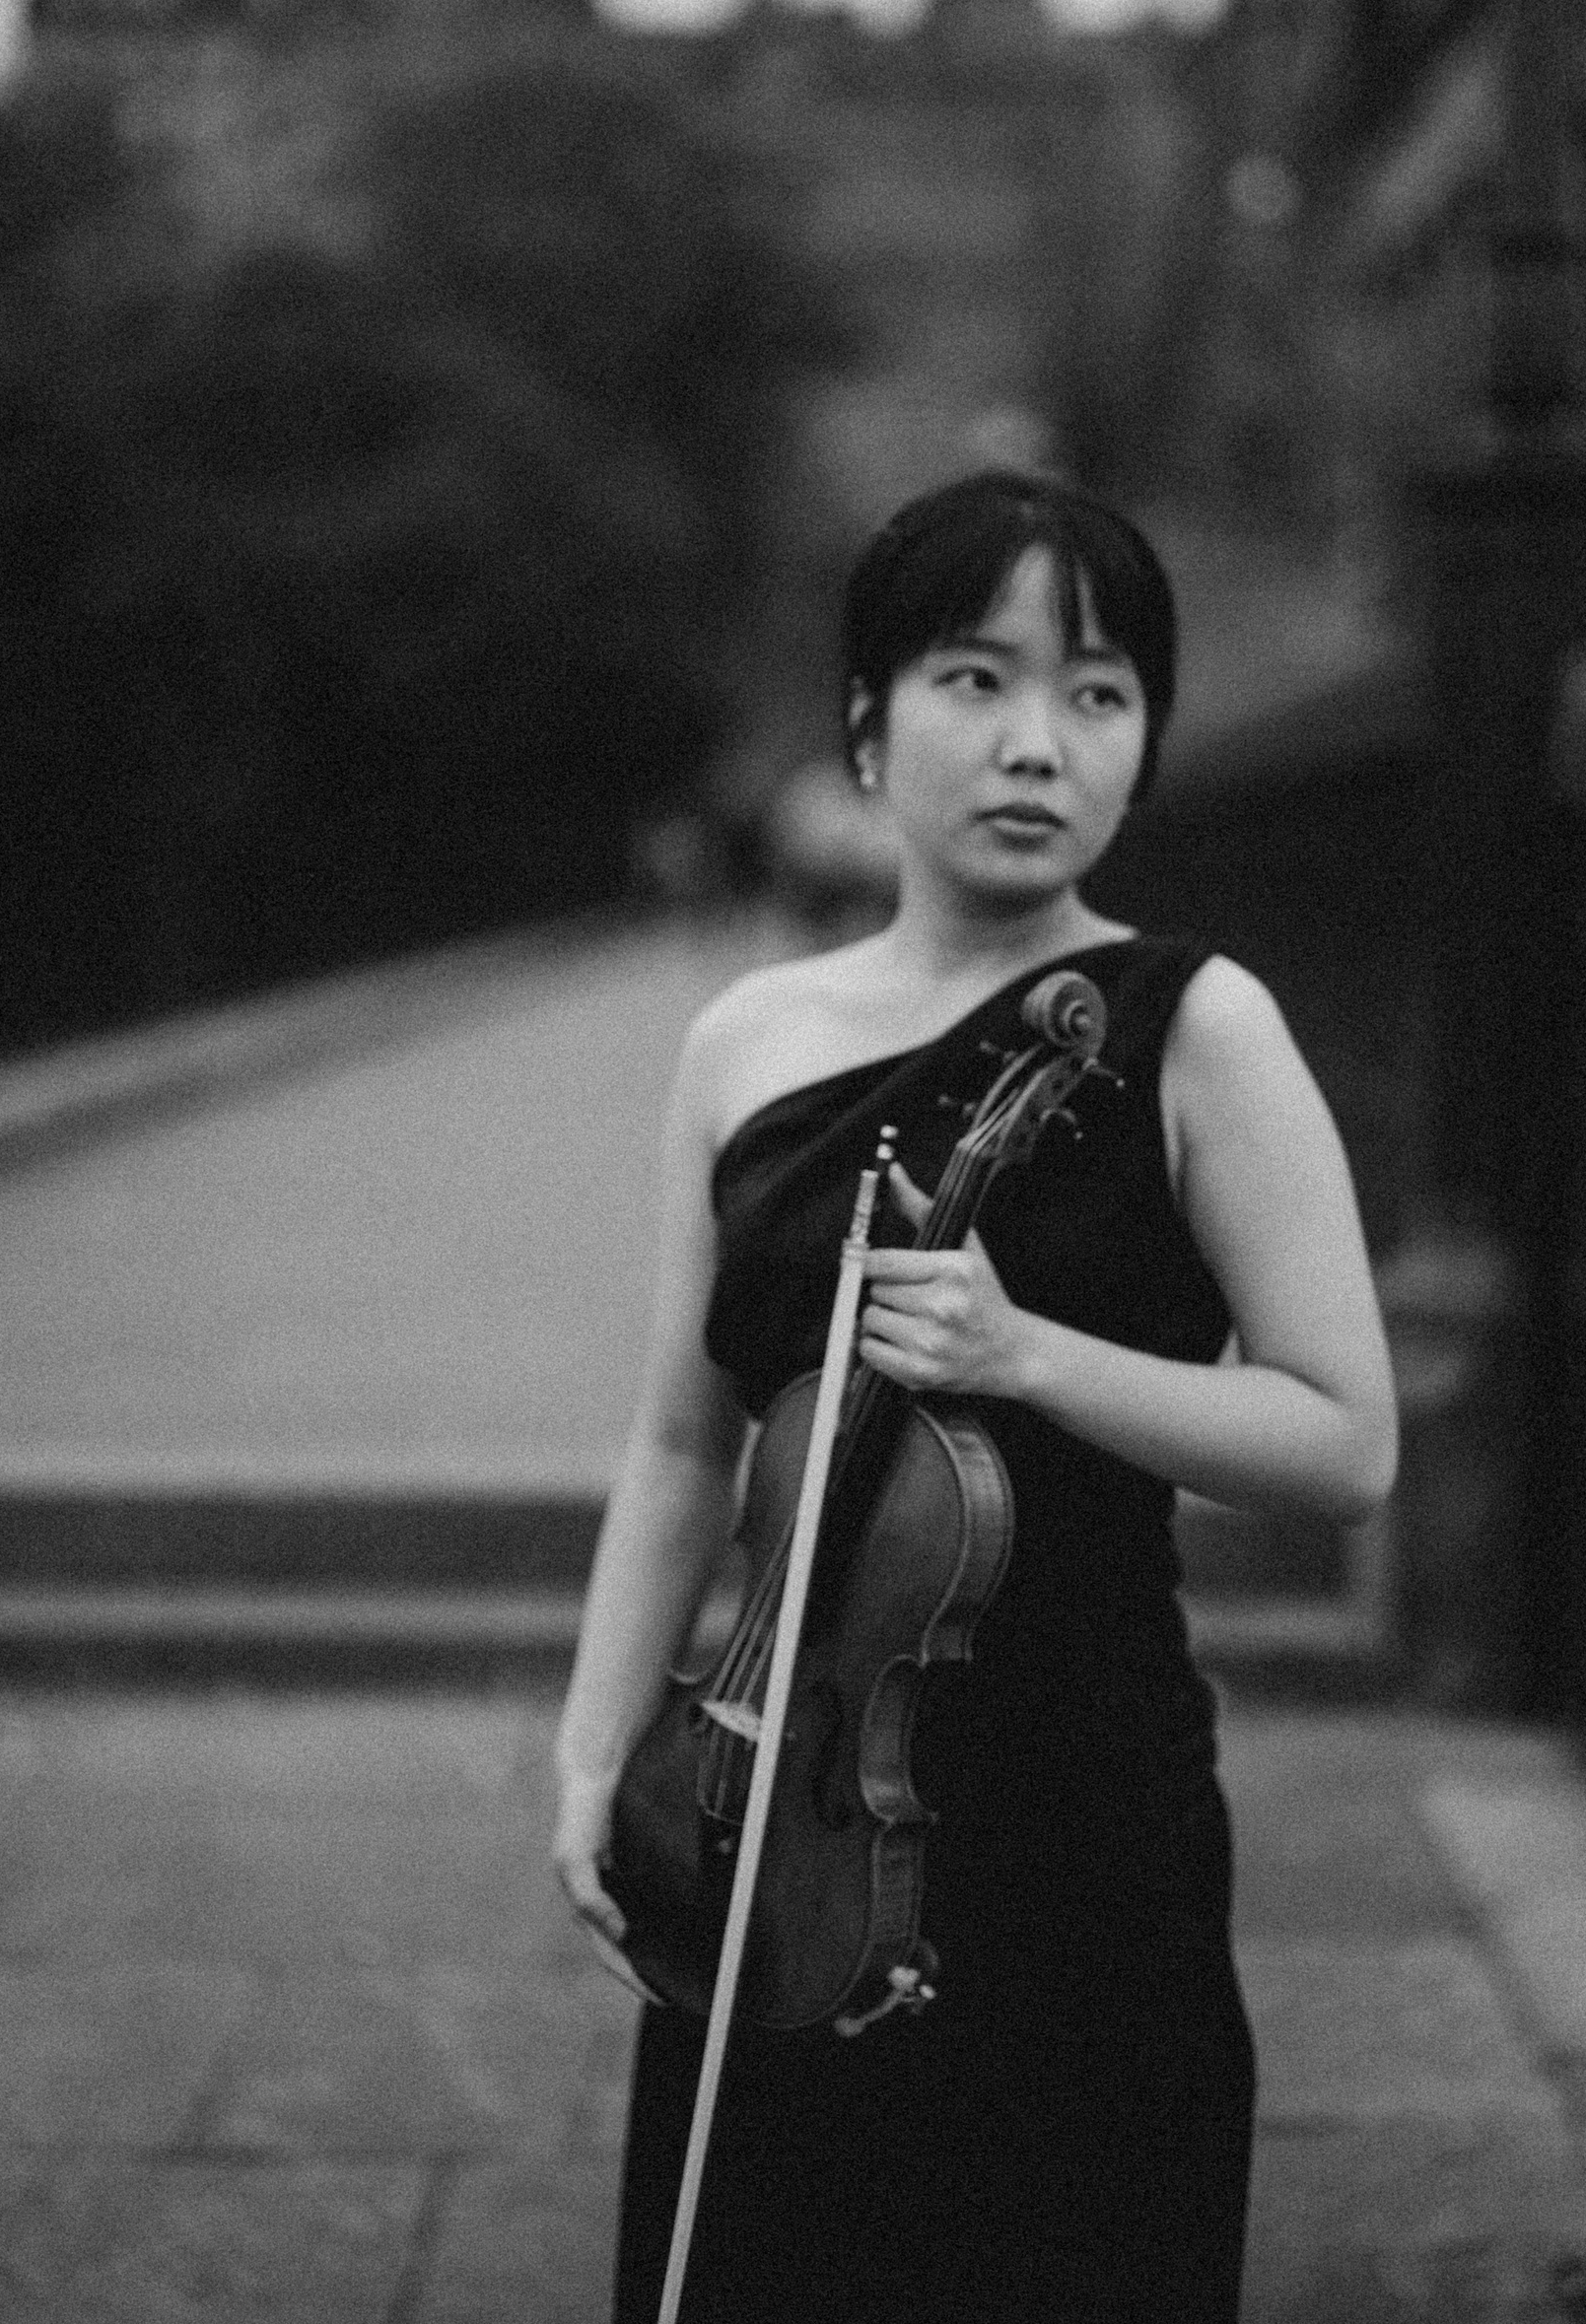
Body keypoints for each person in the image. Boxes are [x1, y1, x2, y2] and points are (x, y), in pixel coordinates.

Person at [554, 469, 1398, 2323]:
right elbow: (684, 1442)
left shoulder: (1200, 1026)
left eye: (1098, 693)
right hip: (777, 1811)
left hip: (1086, 1814)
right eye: (976, 679)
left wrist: (1032, 1359)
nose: (1038, 742)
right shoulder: (745, 1040)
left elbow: (1346, 1441)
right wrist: (599, 1752)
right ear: (867, 726)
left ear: (1144, 745)